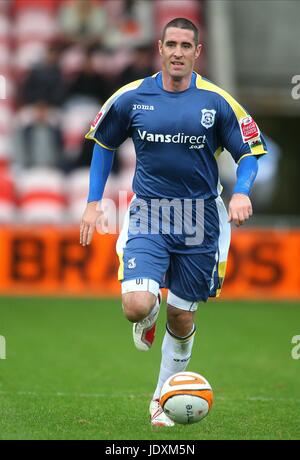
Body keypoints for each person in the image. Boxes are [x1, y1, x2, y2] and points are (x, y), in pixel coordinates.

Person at [80, 18, 268, 427]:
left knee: (182, 318)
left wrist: (241, 191)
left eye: (186, 45)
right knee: (135, 306)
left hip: (200, 220)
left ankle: (159, 400)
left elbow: (250, 152)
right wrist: (93, 203)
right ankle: (147, 312)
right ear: (160, 49)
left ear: (197, 52)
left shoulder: (216, 101)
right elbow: (103, 145)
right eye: (171, 44)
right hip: (149, 212)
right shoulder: (132, 97)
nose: (178, 52)